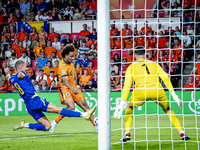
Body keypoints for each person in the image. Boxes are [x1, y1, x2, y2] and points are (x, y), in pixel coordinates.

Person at [113, 47, 190, 142]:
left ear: (135, 56)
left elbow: (127, 86)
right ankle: (181, 132)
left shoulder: (131, 67)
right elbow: (165, 77)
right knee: (167, 109)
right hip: (157, 91)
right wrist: (174, 94)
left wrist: (121, 104)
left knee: (129, 106)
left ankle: (127, 133)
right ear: (145, 54)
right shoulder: (154, 64)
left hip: (141, 92)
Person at [4, 60, 96, 132]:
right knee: (59, 109)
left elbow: (8, 78)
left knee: (47, 126)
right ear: (20, 68)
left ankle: (24, 125)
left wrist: (7, 72)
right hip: (34, 100)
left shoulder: (12, 79)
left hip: (28, 105)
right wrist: (19, 73)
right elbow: (20, 74)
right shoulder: (21, 74)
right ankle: (83, 115)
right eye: (24, 67)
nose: (26, 69)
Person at [50, 45, 97, 132]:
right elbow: (65, 81)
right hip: (64, 87)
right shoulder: (62, 66)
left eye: (74, 56)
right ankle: (55, 122)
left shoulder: (71, 64)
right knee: (71, 106)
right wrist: (72, 89)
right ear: (66, 56)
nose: (73, 58)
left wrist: (74, 87)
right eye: (71, 56)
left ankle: (95, 126)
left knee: (85, 105)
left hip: (73, 86)